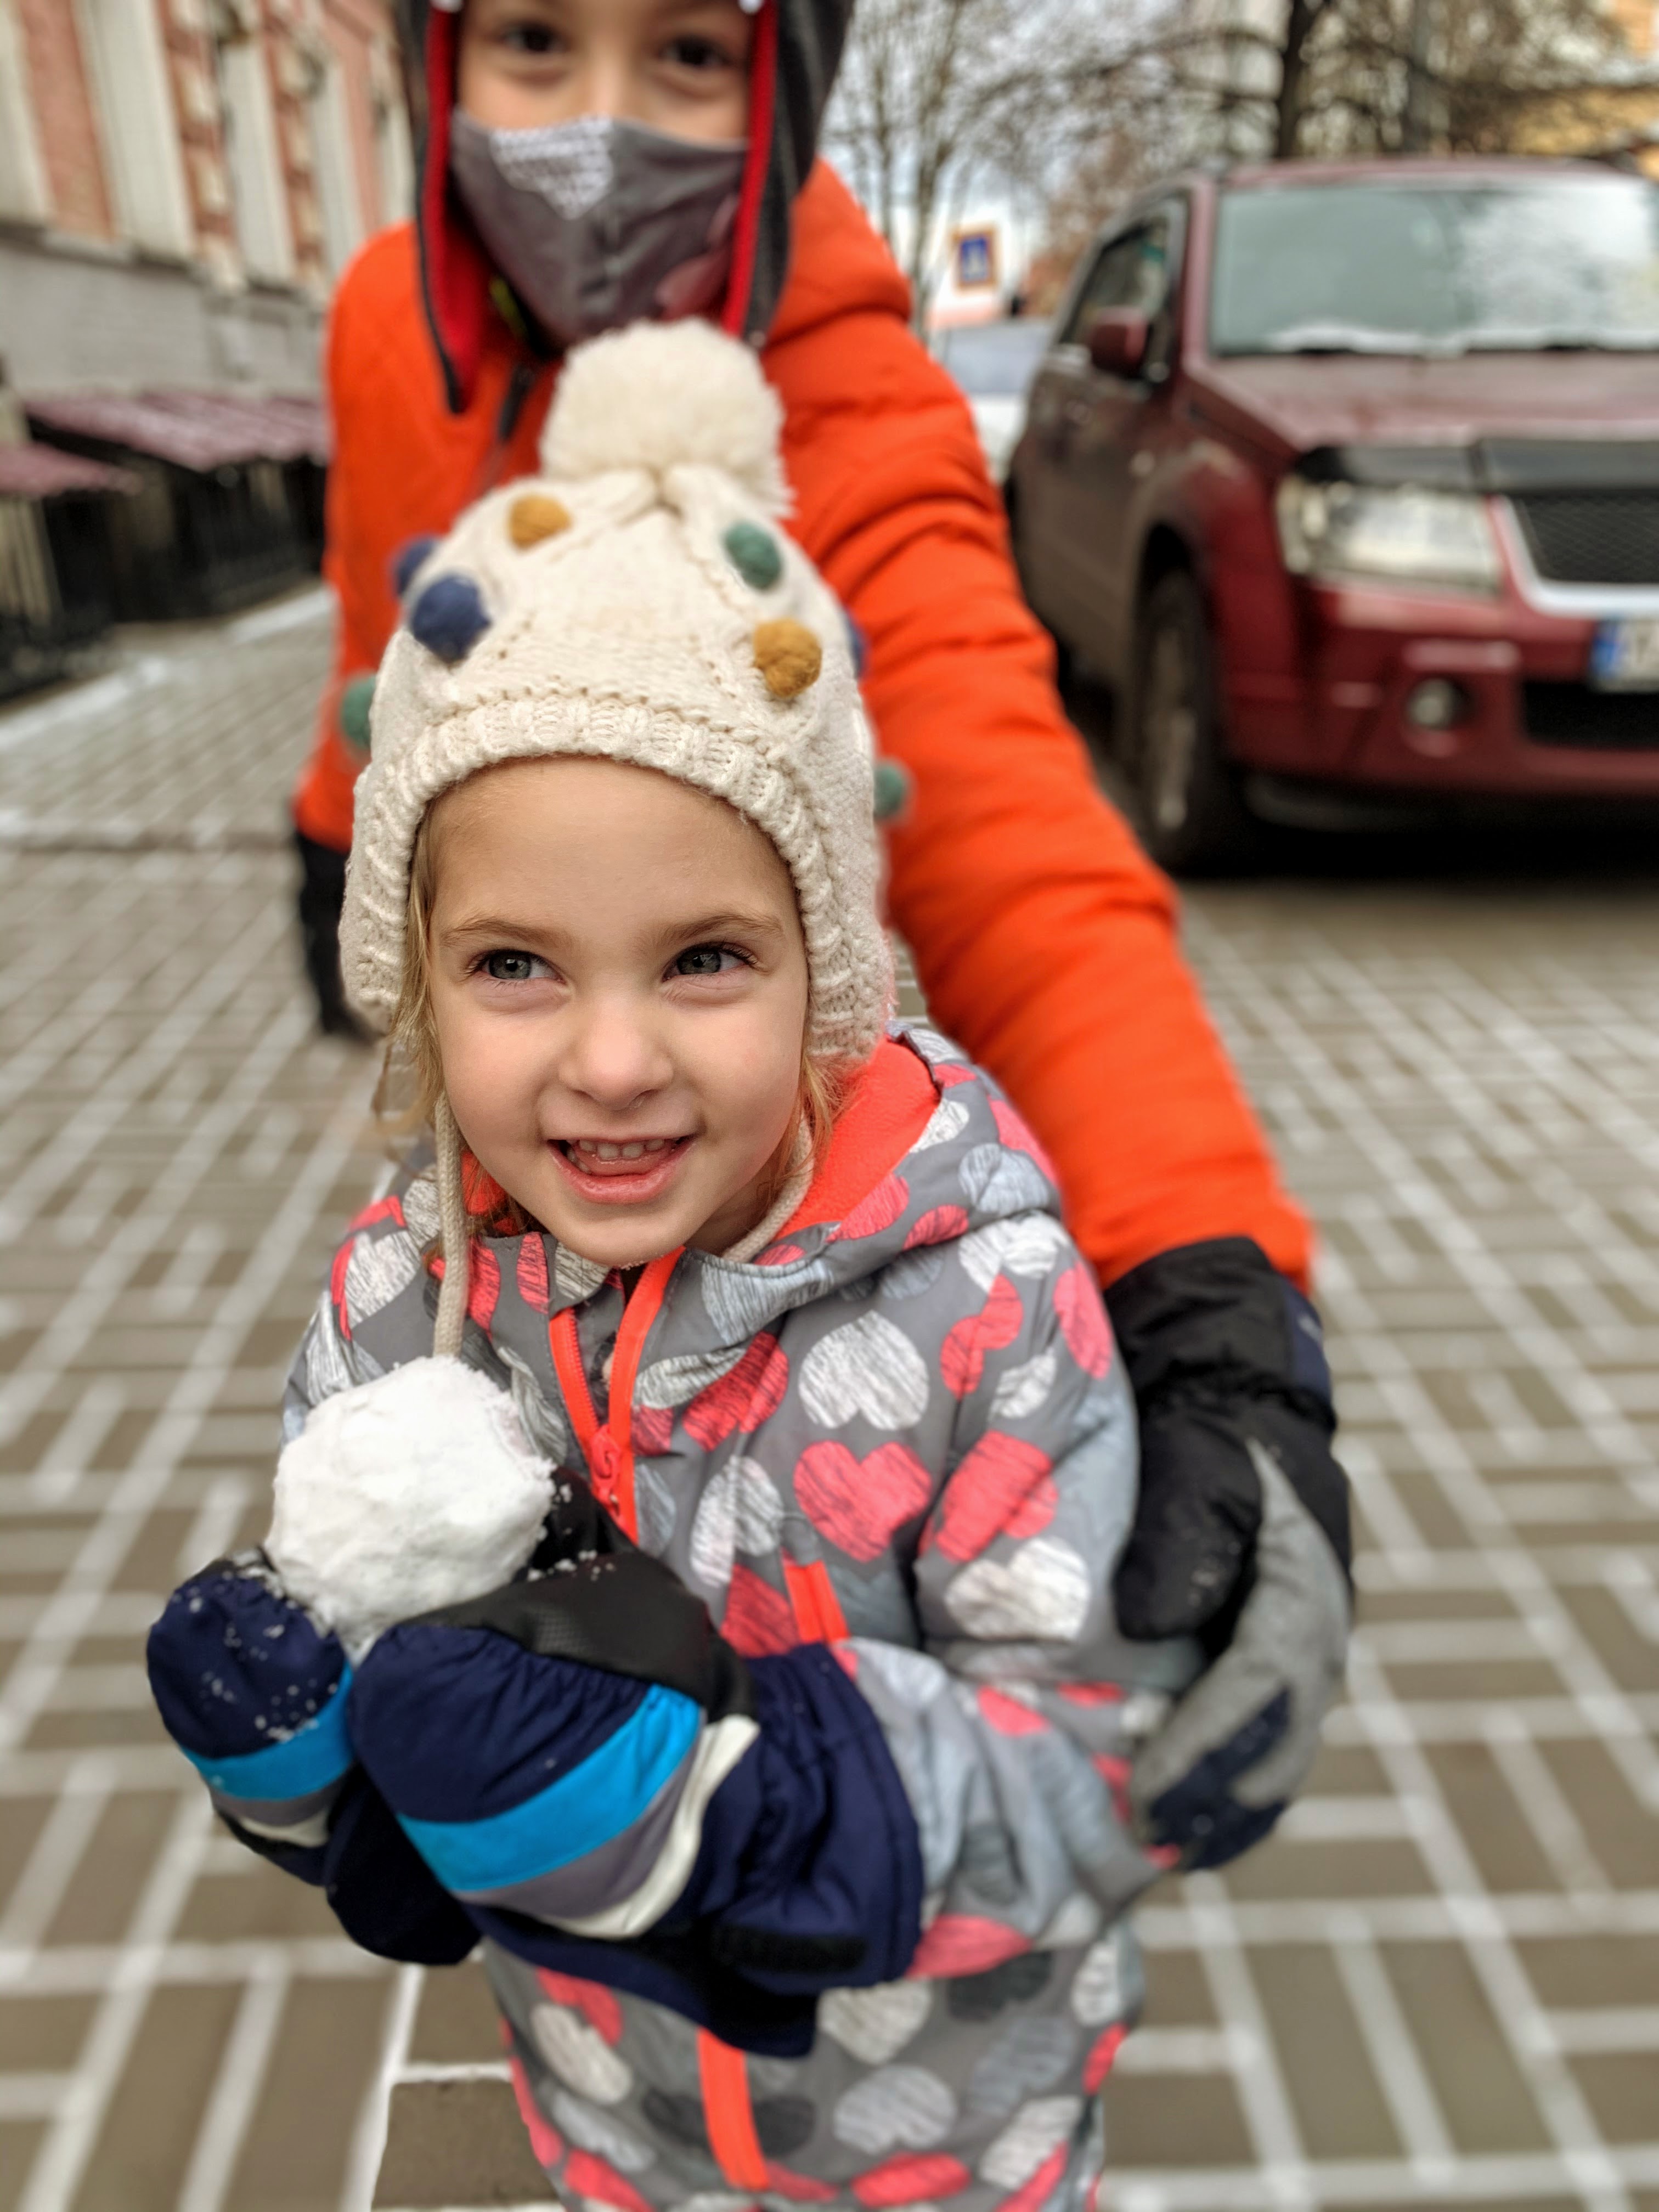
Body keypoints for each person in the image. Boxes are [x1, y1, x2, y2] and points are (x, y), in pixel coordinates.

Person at [152, 322, 1346, 2205]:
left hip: (949, 2138)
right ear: (416, 983)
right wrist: (307, 1775)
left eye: (704, 958)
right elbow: (424, 1745)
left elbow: (1091, 1756)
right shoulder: (408, 1299)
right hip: (605, 2124)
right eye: (514, 965)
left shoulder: (978, 1306)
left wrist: (744, 1813)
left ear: (829, 972)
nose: (613, 1059)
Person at [294, 0, 1350, 1874]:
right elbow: (383, 592)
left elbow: (1013, 836)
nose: (602, 124)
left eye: (691, 54)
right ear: (432, 62)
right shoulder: (394, 320)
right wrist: (337, 817)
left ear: (784, 91)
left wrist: (1211, 1292)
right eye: (532, 38)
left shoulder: (842, 384)